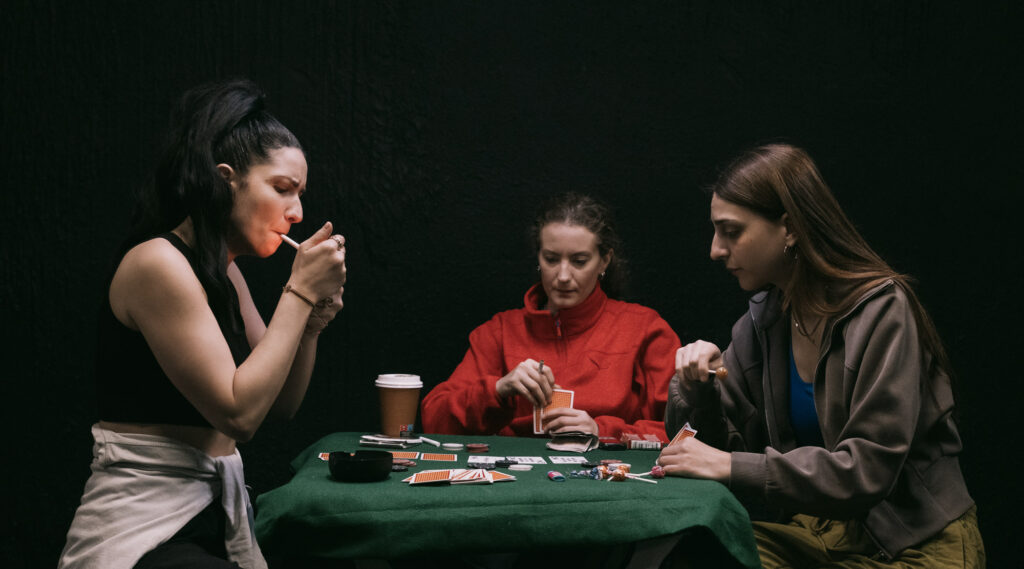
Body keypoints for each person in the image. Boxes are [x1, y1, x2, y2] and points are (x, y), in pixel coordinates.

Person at [58, 79, 347, 569]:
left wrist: (312, 323)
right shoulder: (158, 264)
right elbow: (239, 417)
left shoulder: (227, 273)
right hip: (143, 527)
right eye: (282, 189)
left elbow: (278, 403)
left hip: (209, 516)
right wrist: (298, 292)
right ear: (225, 180)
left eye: (299, 194)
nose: (297, 213)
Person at [658, 144, 983, 567]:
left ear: (790, 228)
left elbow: (867, 472)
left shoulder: (883, 311)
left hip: (914, 544)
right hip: (821, 533)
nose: (716, 250)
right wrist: (696, 390)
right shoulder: (764, 322)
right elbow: (702, 451)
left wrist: (732, 465)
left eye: (731, 231)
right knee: (694, 548)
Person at [421, 192, 680, 442]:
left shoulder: (645, 329)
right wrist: (498, 389)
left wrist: (603, 431)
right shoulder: (500, 331)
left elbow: (683, 432)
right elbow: (434, 420)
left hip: (608, 470)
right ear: (538, 258)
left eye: (579, 261)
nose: (563, 276)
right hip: (515, 470)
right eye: (551, 259)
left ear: (604, 261)